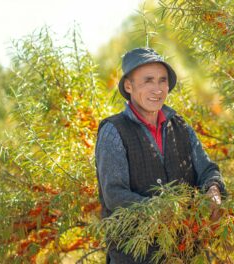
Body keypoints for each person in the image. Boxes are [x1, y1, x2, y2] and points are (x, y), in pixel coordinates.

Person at [95, 47, 226, 263]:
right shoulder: (113, 130)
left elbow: (208, 169)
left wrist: (213, 189)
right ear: (129, 85)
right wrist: (163, 211)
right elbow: (115, 196)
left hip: (184, 253)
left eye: (162, 80)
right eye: (148, 81)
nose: (157, 89)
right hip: (133, 258)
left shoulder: (181, 126)